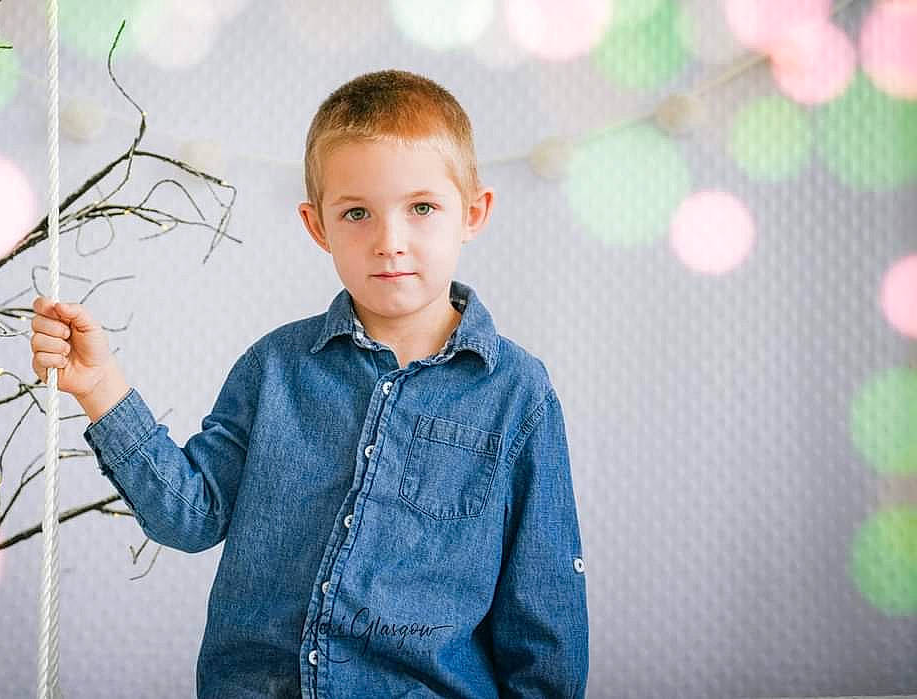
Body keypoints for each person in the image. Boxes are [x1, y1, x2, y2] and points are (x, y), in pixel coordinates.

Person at [29, 68, 588, 698]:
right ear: (318, 225)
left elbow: (543, 603)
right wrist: (100, 386)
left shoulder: (517, 393)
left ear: (472, 212)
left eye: (422, 208)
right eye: (357, 213)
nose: (390, 242)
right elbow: (189, 516)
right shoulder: (275, 368)